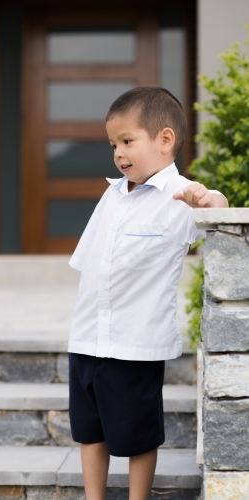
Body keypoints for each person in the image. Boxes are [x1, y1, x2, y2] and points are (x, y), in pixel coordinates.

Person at [67, 86, 228, 500]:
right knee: (90, 430)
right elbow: (91, 263)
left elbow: (218, 213)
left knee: (137, 435)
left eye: (127, 141)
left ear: (165, 139)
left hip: (134, 346)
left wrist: (208, 199)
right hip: (88, 337)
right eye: (113, 144)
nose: (118, 153)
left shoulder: (180, 198)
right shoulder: (113, 194)